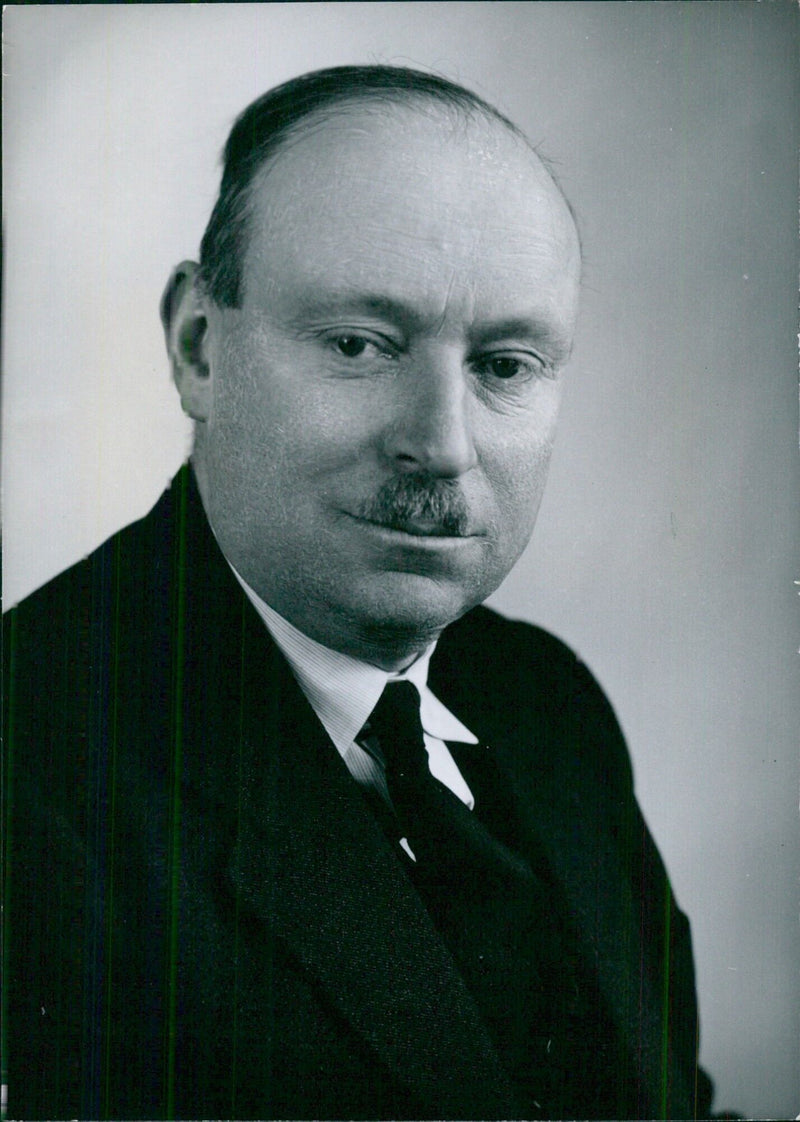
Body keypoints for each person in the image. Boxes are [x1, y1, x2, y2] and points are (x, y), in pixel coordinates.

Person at [4, 65, 721, 1120]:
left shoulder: (544, 703)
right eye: (357, 345)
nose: (439, 444)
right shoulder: (27, 767)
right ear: (199, 348)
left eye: (505, 365)